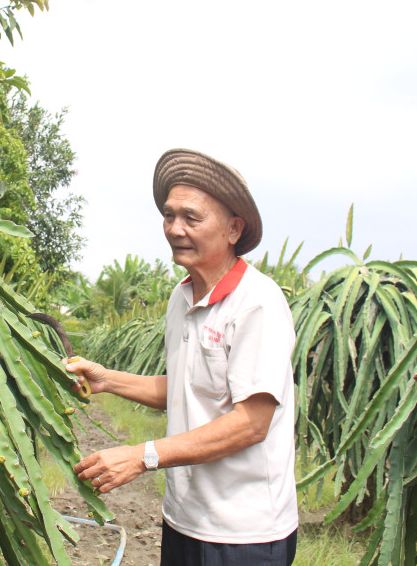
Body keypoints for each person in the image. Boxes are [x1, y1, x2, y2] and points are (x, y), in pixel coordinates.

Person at [66, 148, 298, 566]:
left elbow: (251, 423)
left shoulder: (257, 303)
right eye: (169, 216)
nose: (175, 229)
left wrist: (142, 455)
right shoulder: (181, 297)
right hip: (183, 518)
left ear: (233, 229)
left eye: (191, 218)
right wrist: (107, 379)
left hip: (244, 534)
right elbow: (189, 389)